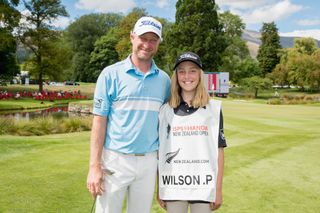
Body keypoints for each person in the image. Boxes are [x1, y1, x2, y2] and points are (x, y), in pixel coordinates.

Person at [86, 16, 171, 213]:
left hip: (149, 162)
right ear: (132, 37)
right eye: (143, 38)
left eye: (153, 40)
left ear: (158, 43)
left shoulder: (164, 80)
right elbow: (99, 122)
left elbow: (165, 126)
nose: (147, 44)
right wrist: (94, 167)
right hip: (115, 160)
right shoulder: (110, 74)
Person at [157, 52, 227, 213]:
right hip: (173, 185)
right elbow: (161, 153)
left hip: (203, 185)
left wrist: (218, 189)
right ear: (176, 75)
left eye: (192, 70)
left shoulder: (213, 109)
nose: (187, 76)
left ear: (200, 75)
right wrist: (159, 188)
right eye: (181, 71)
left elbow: (219, 151)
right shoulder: (165, 110)